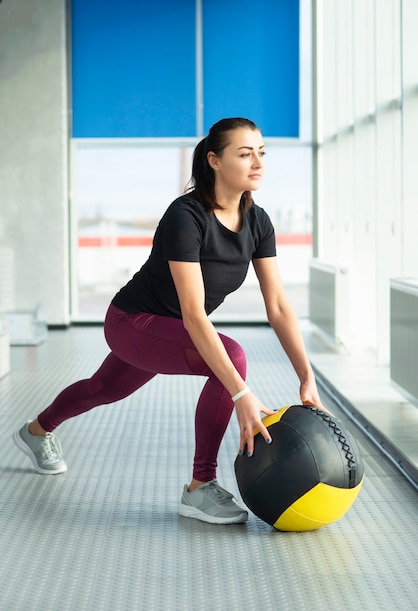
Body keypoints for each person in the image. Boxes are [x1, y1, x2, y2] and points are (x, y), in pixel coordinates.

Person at [13, 117, 326, 525]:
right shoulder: (186, 216)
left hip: (170, 329)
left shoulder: (258, 220)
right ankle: (200, 487)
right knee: (229, 358)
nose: (258, 163)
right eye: (245, 153)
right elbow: (195, 315)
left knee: (103, 388)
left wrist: (306, 374)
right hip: (132, 321)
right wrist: (240, 393)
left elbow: (279, 305)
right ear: (213, 160)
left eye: (261, 153)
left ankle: (35, 431)